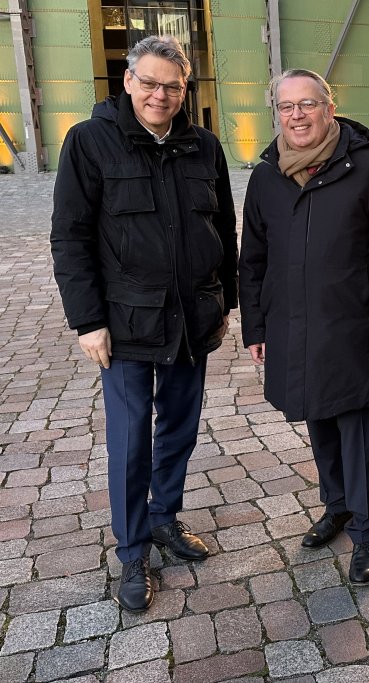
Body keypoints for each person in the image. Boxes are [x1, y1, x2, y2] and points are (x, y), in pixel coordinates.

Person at [51, 35, 238, 611]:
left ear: (186, 90)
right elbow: (70, 236)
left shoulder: (204, 145)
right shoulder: (89, 142)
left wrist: (225, 302)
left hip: (192, 319)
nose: (160, 95)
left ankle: (164, 518)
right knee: (131, 443)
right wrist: (87, 321)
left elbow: (223, 231)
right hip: (125, 325)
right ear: (128, 81)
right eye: (150, 82)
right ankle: (133, 552)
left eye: (172, 86)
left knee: (179, 430)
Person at [239, 69, 369, 586]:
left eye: (307, 104)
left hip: (354, 327)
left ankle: (366, 530)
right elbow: (254, 258)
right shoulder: (266, 177)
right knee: (318, 419)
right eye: (287, 107)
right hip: (292, 326)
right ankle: (336, 507)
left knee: (358, 430)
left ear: (328, 108)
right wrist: (256, 325)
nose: (296, 115)